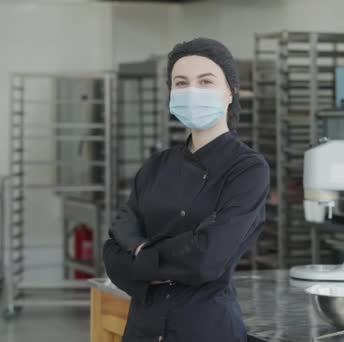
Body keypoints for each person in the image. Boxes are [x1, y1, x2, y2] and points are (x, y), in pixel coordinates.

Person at [103, 37, 269, 341]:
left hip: (205, 327)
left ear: (230, 92)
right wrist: (174, 254)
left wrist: (140, 251)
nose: (192, 90)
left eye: (205, 81)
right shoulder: (156, 166)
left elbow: (207, 258)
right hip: (142, 329)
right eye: (181, 82)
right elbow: (113, 252)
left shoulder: (247, 169)